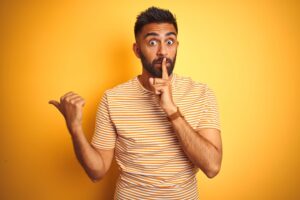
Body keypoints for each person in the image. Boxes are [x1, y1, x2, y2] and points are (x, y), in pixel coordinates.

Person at [49, 6, 222, 200]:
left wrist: (171, 110)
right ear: (137, 50)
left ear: (177, 46)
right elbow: (97, 172)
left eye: (170, 41)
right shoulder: (112, 99)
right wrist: (75, 129)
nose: (163, 51)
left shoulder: (201, 93)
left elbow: (212, 167)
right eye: (153, 42)